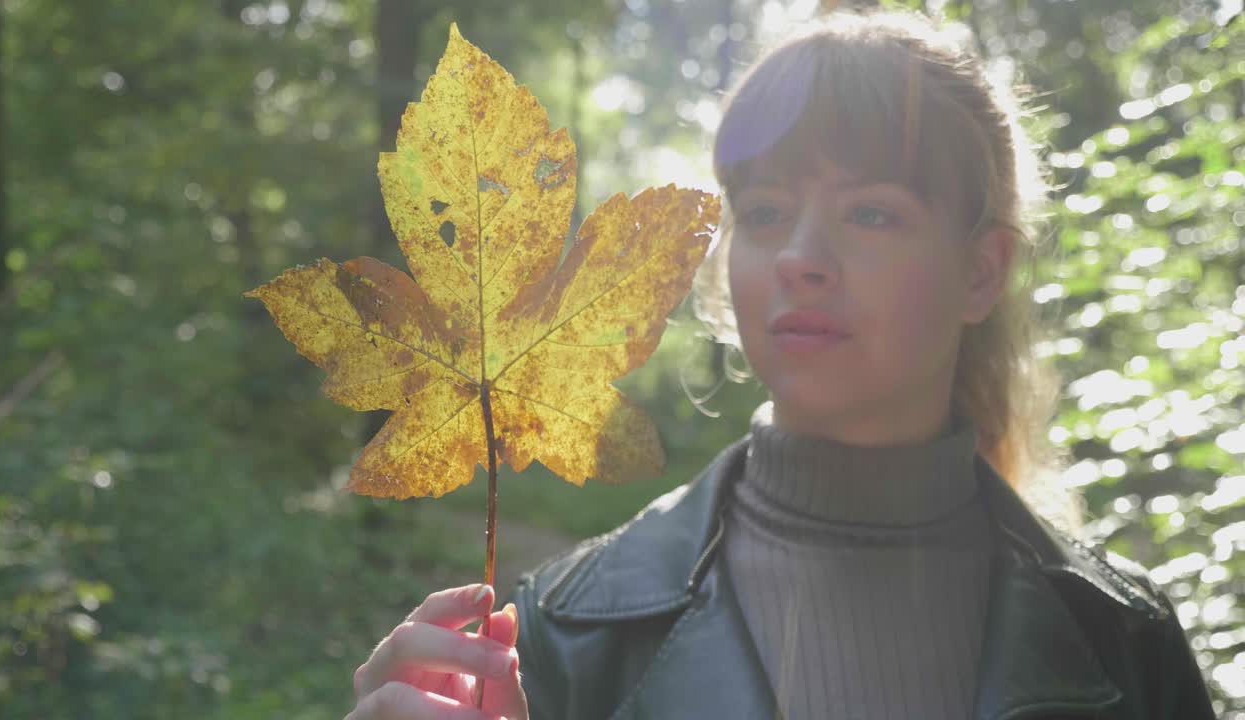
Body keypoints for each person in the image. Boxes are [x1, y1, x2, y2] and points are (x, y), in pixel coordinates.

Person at [343, 9, 1216, 720]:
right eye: (764, 212)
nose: (802, 256)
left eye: (871, 214)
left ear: (981, 270)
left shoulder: (1121, 640)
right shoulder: (560, 634)